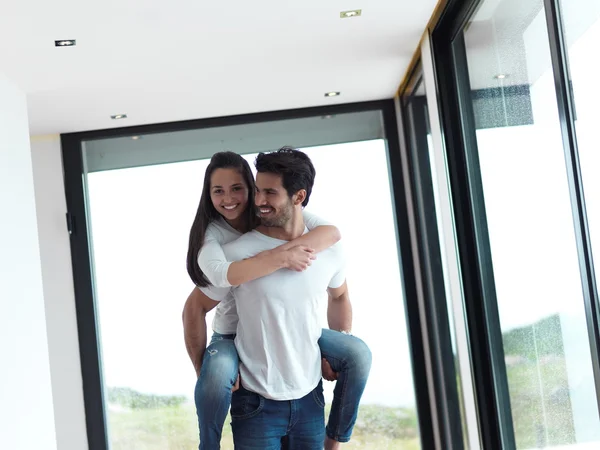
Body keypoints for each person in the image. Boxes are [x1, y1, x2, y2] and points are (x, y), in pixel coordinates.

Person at [182, 150, 371, 450]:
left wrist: (331, 352)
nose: (258, 201)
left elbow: (340, 296)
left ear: (298, 197)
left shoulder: (328, 246)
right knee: (215, 376)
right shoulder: (234, 250)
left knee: (358, 353)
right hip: (256, 400)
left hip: (309, 396)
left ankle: (335, 440)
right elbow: (196, 306)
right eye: (257, 191)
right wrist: (203, 371)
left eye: (269, 192)